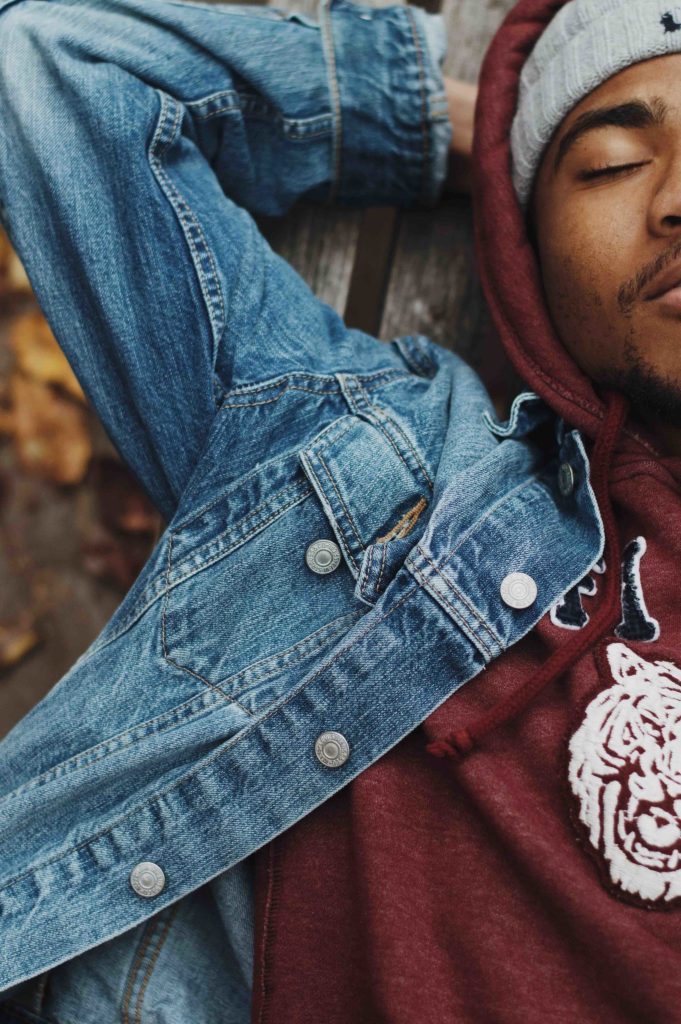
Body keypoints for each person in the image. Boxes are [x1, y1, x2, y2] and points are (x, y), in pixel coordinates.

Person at [0, 0, 680, 1020]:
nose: (677, 198)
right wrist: (447, 130)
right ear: (522, 241)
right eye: (613, 163)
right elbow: (53, 65)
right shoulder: (374, 463)